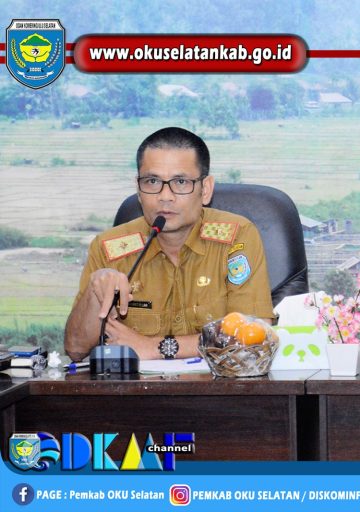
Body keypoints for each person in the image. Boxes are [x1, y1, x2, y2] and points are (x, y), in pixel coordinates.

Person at [65, 127, 274, 361]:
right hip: (137, 385)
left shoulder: (236, 236)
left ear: (205, 190)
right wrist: (95, 293)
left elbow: (253, 335)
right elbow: (75, 350)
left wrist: (153, 347)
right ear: (138, 189)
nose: (165, 196)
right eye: (152, 181)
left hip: (217, 383)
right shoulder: (109, 248)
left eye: (181, 182)